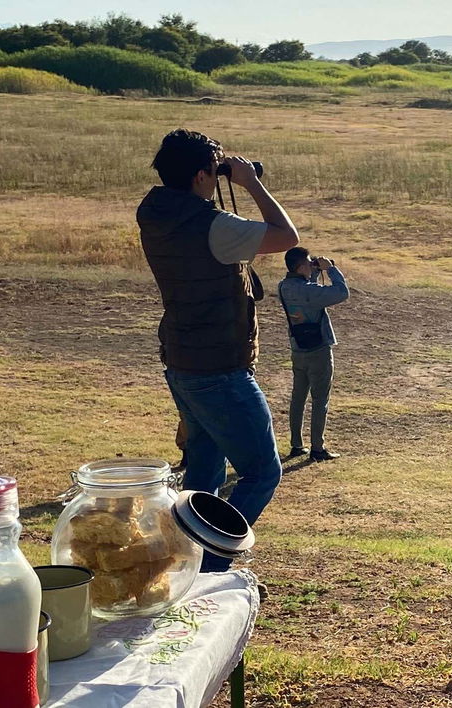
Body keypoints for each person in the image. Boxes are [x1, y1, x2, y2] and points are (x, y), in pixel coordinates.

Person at [137, 129, 299, 572]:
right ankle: (206, 568)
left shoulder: (154, 211)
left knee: (203, 478)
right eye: (216, 168)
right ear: (201, 174)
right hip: (219, 368)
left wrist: (221, 175)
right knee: (262, 473)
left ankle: (177, 562)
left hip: (182, 359)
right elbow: (286, 236)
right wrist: (250, 183)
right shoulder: (213, 226)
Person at [279, 247, 349, 461]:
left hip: (298, 349)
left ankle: (296, 444)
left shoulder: (283, 286)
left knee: (298, 397)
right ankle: (318, 448)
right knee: (320, 399)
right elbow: (341, 293)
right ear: (300, 267)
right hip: (317, 350)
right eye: (308, 263)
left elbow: (308, 292)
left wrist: (315, 272)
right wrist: (332, 270)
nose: (311, 265)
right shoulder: (308, 290)